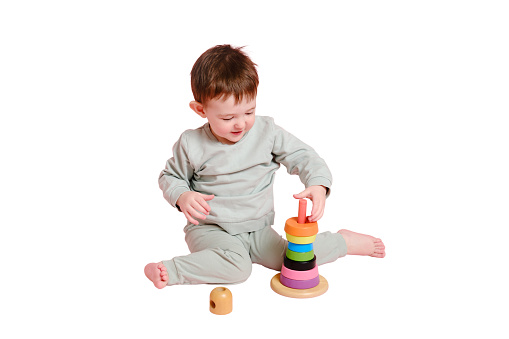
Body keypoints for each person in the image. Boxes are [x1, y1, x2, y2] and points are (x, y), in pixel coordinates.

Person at [145, 45, 385, 289]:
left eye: (249, 111)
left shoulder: (266, 132)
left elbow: (304, 156)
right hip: (210, 229)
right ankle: (171, 270)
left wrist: (318, 184)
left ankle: (342, 242)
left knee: (293, 260)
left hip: (257, 229)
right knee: (238, 268)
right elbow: (170, 177)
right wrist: (182, 195)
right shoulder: (191, 143)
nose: (240, 123)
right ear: (200, 110)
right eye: (227, 118)